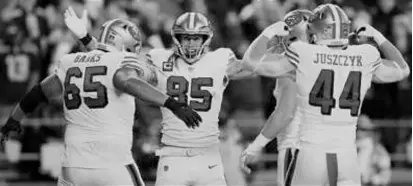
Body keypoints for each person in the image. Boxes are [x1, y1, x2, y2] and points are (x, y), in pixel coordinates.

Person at [0, 17, 202, 186]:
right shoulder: (123, 61)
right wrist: (172, 104)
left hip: (73, 166)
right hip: (112, 164)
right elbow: (125, 80)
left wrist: (13, 120)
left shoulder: (71, 62)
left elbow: (37, 93)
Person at [65, 10, 255, 185]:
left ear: (206, 39)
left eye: (196, 38)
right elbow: (111, 64)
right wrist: (87, 39)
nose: (190, 44)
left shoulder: (220, 59)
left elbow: (253, 67)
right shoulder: (159, 59)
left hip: (209, 157)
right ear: (175, 38)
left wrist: (280, 53)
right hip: (173, 156)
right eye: (185, 38)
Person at [242, 3, 410, 185]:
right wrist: (378, 37)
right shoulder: (366, 55)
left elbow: (250, 62)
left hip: (311, 153)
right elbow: (403, 69)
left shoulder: (303, 52)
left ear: (321, 31)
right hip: (347, 156)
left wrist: (269, 32)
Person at [239, 9, 313, 186]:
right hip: (326, 148)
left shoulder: (293, 63)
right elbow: (239, 69)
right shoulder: (325, 58)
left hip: (296, 146)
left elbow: (285, 113)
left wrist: (255, 147)